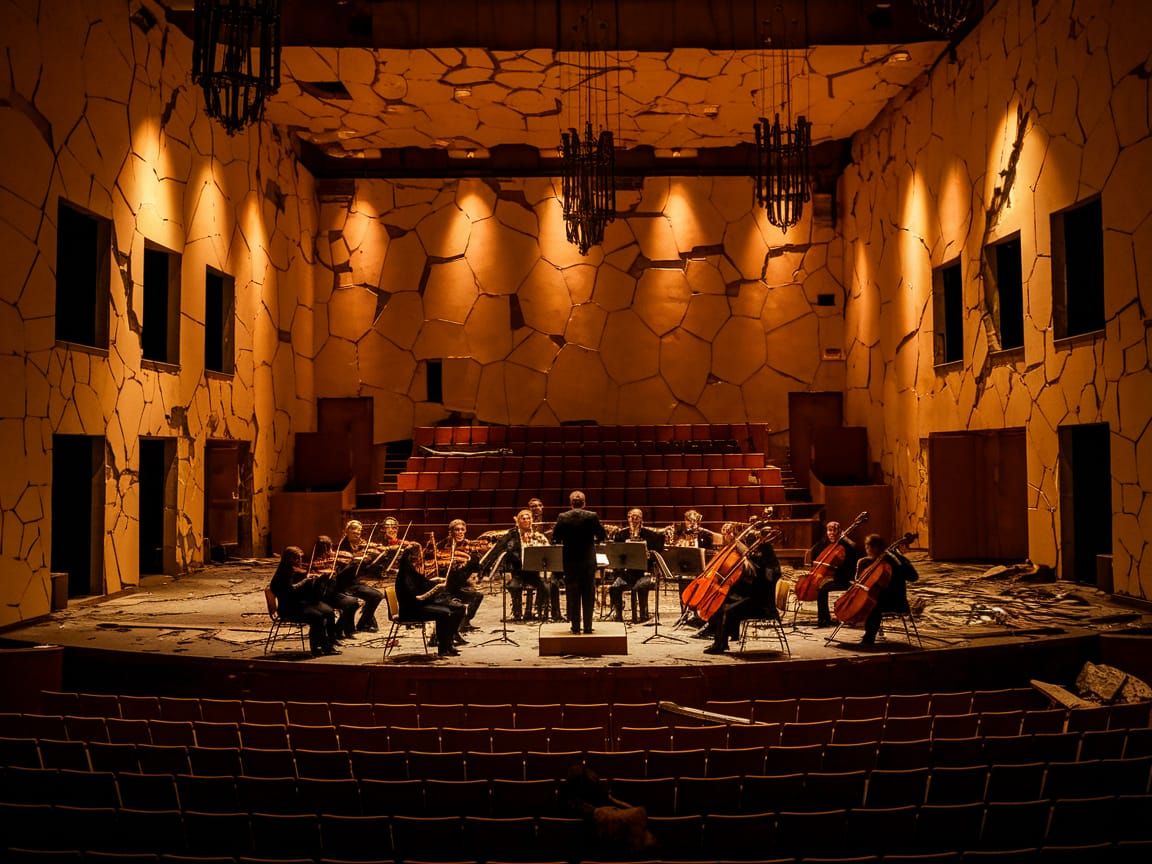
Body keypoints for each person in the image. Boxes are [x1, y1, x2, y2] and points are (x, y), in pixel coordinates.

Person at [703, 525, 782, 655]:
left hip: (762, 605)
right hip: (753, 597)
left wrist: (749, 566)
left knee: (726, 609)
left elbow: (762, 583)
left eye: (757, 550)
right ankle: (726, 636)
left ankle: (720, 644)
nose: (754, 551)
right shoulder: (760, 561)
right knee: (723, 602)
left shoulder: (770, 566)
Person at [394, 544, 466, 657]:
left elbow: (421, 583)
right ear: (415, 557)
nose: (421, 557)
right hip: (410, 610)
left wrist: (434, 581)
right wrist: (436, 588)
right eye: (420, 554)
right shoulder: (405, 574)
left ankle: (448, 643)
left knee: (459, 609)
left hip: (418, 605)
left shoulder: (410, 570)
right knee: (445, 613)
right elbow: (417, 598)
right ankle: (443, 647)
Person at [551, 490, 607, 634]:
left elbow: (556, 538)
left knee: (573, 592)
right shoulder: (592, 516)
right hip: (588, 560)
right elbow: (602, 535)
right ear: (584, 503)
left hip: (570, 560)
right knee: (589, 592)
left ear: (571, 504)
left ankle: (575, 626)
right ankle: (588, 626)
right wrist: (593, 540)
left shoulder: (562, 517)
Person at [268, 546, 339, 657]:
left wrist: (319, 581)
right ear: (290, 559)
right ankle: (316, 648)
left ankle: (329, 644)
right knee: (318, 617)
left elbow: (303, 592)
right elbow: (290, 590)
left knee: (329, 612)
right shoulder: (283, 574)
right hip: (289, 609)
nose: (300, 562)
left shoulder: (293, 571)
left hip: (301, 603)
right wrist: (305, 581)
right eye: (298, 559)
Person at [483, 510, 550, 622]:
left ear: (531, 520)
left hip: (534, 573)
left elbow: (547, 552)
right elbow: (498, 550)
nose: (526, 520)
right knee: (514, 586)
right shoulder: (512, 536)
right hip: (518, 573)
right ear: (518, 521)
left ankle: (538, 611)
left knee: (546, 587)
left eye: (528, 518)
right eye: (523, 518)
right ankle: (517, 613)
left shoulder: (538, 536)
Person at [854, 533, 919, 645]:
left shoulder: (894, 560)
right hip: (877, 597)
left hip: (894, 600)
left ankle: (869, 638)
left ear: (876, 547)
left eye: (868, 547)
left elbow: (913, 577)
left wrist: (898, 560)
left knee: (873, 605)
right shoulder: (866, 562)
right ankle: (866, 631)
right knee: (870, 602)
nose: (867, 550)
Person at [608, 508, 664, 623]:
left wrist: (649, 554)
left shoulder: (650, 535)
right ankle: (617, 614)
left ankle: (644, 615)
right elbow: (617, 556)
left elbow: (658, 550)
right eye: (631, 517)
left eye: (637, 517)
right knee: (614, 587)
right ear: (628, 518)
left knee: (641, 586)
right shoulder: (621, 534)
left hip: (645, 572)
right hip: (627, 573)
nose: (634, 520)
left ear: (641, 519)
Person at [333, 520, 385, 633]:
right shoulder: (340, 548)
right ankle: (353, 626)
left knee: (378, 596)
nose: (358, 533)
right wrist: (354, 562)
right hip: (344, 584)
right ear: (347, 531)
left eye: (359, 531)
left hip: (355, 582)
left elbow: (366, 568)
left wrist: (371, 560)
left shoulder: (360, 545)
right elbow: (339, 572)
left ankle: (362, 624)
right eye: (354, 530)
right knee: (372, 597)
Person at [807, 521, 861, 628]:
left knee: (822, 589)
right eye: (829, 530)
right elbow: (815, 554)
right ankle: (824, 619)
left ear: (840, 531)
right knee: (820, 587)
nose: (831, 533)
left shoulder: (846, 546)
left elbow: (855, 550)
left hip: (844, 579)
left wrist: (845, 539)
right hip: (832, 578)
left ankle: (823, 620)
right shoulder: (825, 544)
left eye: (834, 530)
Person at [436, 519, 484, 631]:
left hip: (462, 583)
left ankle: (465, 621)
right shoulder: (442, 545)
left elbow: (477, 566)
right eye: (457, 530)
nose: (460, 532)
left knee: (478, 596)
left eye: (462, 529)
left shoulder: (469, 546)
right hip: (447, 584)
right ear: (451, 531)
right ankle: (456, 624)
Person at [312, 535, 361, 641]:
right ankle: (334, 634)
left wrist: (346, 567)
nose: (329, 551)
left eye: (329, 547)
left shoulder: (333, 558)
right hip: (321, 595)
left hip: (332, 592)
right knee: (343, 606)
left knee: (354, 603)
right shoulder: (313, 561)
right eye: (326, 548)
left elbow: (338, 575)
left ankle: (341, 629)